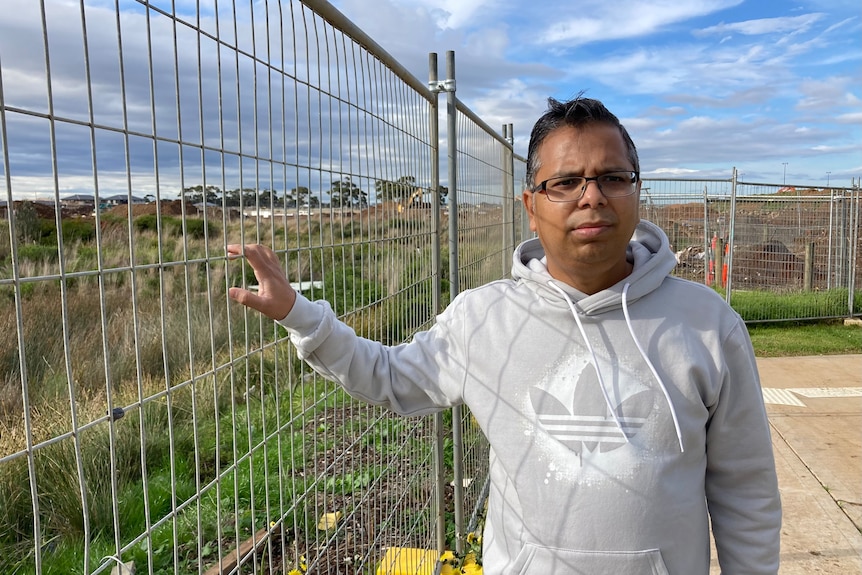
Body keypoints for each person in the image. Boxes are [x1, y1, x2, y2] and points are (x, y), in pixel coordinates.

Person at [228, 96, 781, 574]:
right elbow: (388, 377)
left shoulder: (708, 324)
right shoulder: (483, 319)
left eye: (613, 177)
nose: (592, 196)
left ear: (637, 192)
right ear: (531, 207)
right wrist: (301, 315)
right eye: (565, 182)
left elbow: (747, 490)